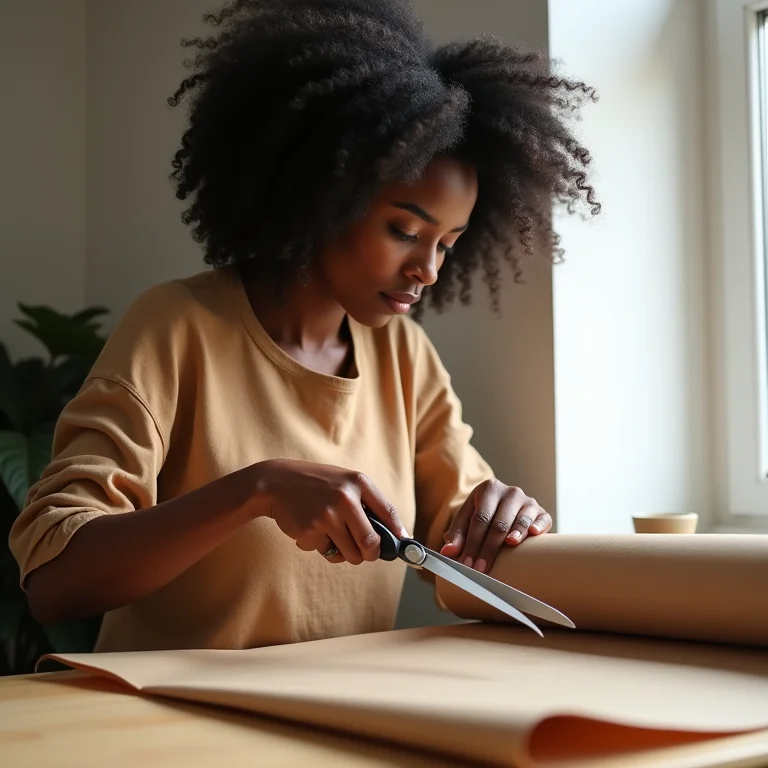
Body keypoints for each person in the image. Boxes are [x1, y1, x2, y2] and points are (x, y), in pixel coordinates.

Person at [9, 0, 599, 653]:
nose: (427, 270)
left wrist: (504, 522)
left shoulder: (405, 356)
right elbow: (55, 580)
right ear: (321, 193)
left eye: (447, 243)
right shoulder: (178, 327)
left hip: (325, 731)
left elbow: (464, 549)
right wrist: (256, 490)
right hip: (169, 730)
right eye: (404, 230)